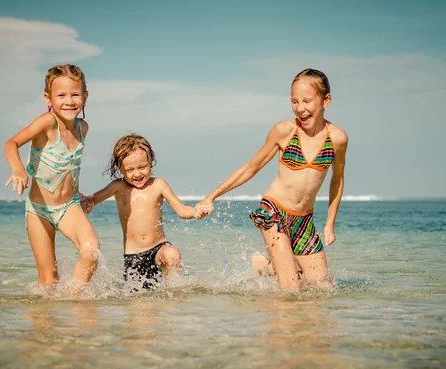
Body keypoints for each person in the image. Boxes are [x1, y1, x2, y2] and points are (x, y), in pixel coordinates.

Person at [196, 68, 348, 290]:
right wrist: (212, 196)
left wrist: (329, 225)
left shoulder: (337, 139)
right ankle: (278, 278)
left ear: (325, 101)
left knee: (322, 287)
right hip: (274, 211)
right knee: (291, 289)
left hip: (304, 220)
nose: (300, 108)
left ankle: (268, 268)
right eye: (294, 101)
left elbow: (337, 180)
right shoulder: (284, 131)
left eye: (307, 101)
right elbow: (250, 168)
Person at [3, 64, 100, 290]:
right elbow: (11, 144)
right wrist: (18, 169)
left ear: (85, 97)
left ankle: (74, 300)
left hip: (69, 206)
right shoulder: (47, 123)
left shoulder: (82, 128)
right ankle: (45, 322)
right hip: (39, 210)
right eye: (61, 95)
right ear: (48, 98)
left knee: (91, 250)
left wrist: (78, 193)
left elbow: (70, 166)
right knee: (48, 281)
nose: (69, 101)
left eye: (75, 94)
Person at [81, 134, 200, 290]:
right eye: (130, 170)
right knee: (139, 306)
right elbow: (92, 201)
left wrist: (196, 211)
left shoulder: (158, 184)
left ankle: (173, 298)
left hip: (159, 248)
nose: (137, 174)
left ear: (151, 162)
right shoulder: (118, 187)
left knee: (172, 254)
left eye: (142, 167)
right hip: (134, 257)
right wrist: (83, 201)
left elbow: (182, 210)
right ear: (120, 168)